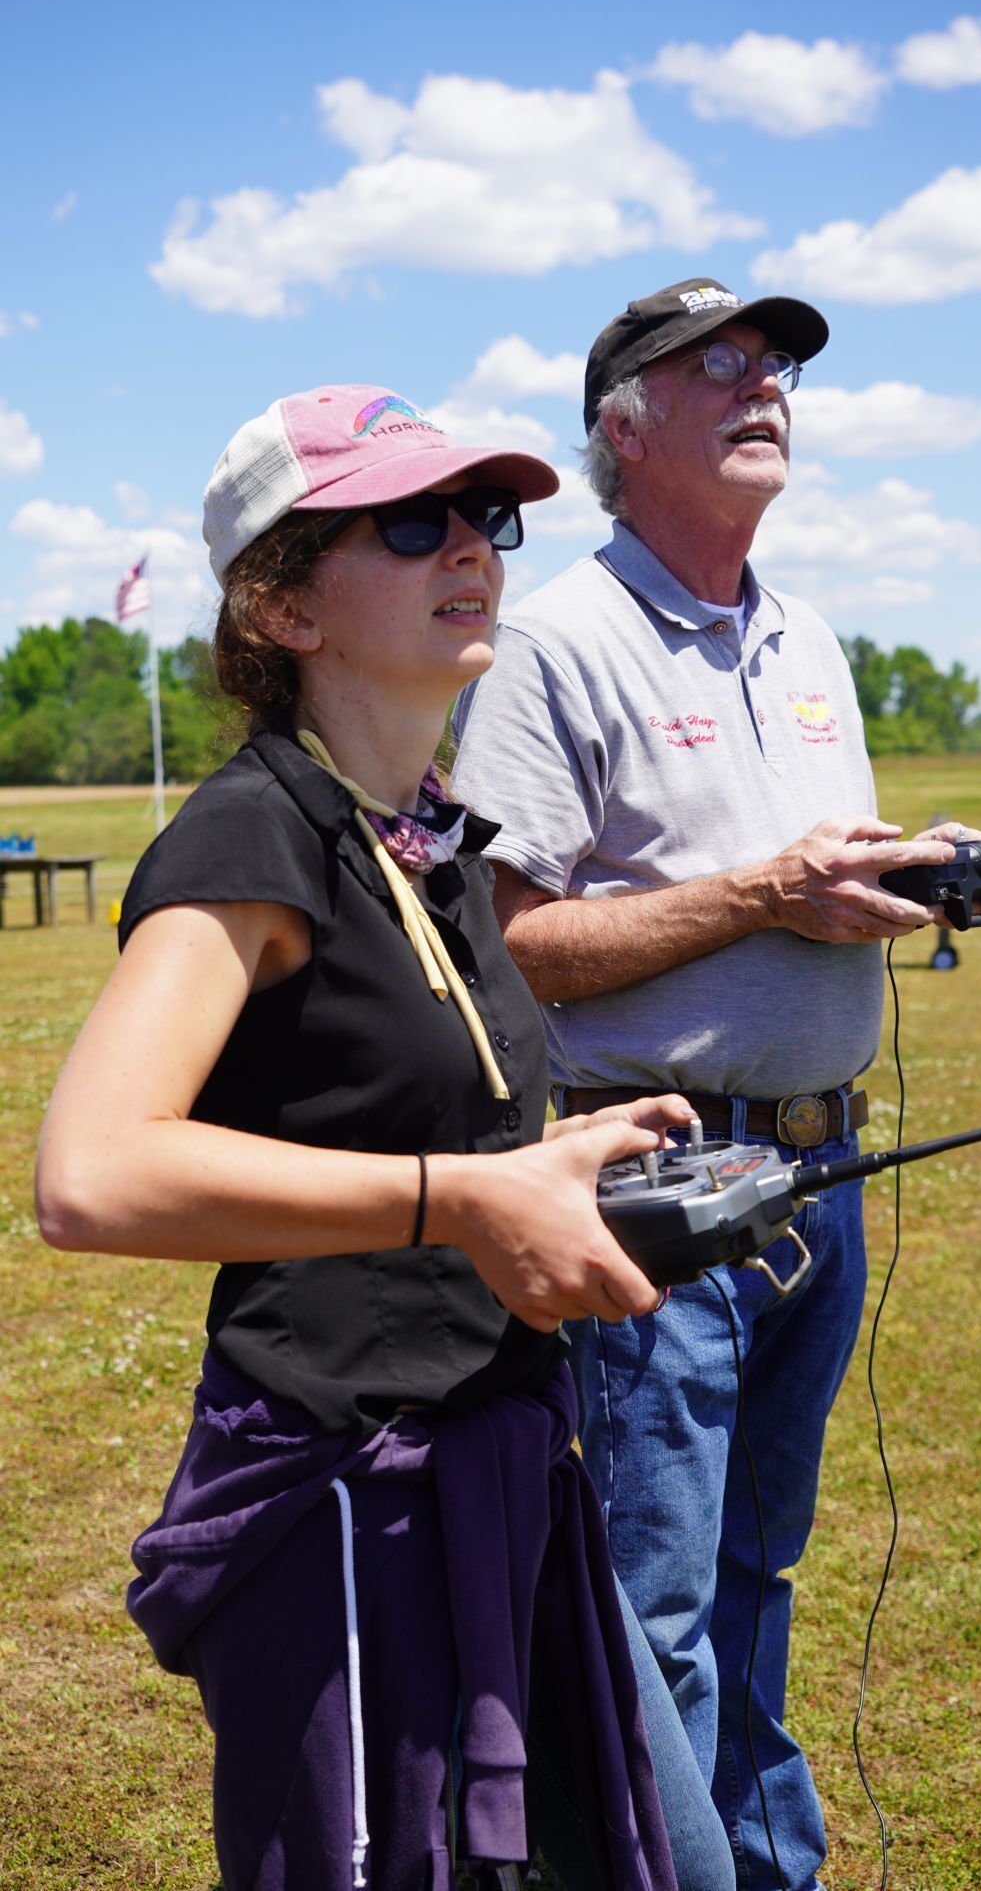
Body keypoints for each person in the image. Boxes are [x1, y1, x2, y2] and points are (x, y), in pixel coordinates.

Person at [35, 382, 741, 1891]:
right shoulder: (251, 834)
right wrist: (463, 1199)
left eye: (489, 520)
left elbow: (395, 1103)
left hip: (508, 1455)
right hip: (351, 1490)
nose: (471, 552)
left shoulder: (429, 834)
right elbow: (91, 1175)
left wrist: (572, 1153)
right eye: (410, 524)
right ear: (282, 604)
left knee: (668, 1857)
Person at [450, 279, 981, 1891]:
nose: (762, 382)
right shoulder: (553, 644)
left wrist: (908, 878)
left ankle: (763, 1864)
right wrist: (764, 898)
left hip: (820, 1181)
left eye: (775, 362)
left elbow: (792, 869)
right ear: (622, 429)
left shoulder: (807, 635)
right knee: (650, 1601)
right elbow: (506, 945)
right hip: (660, 1190)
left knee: (754, 1575)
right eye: (714, 364)